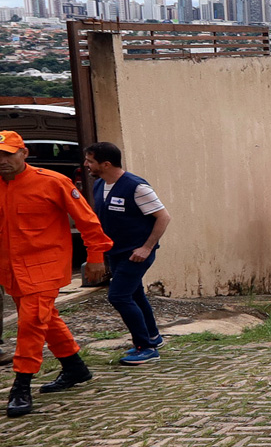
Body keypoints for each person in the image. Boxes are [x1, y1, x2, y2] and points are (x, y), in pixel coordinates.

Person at [0, 130, 113, 418]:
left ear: (23, 153)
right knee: (45, 318)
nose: (2, 161)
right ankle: (75, 368)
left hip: (45, 267)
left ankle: (21, 385)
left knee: (30, 323)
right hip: (11, 270)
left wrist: (96, 257)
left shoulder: (53, 182)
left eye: (8, 154)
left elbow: (87, 221)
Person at [86, 142, 172, 365]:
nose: (86, 165)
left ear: (106, 164)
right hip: (115, 251)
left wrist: (147, 247)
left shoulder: (136, 186)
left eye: (90, 161)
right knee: (134, 294)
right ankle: (153, 336)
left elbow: (163, 217)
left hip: (136, 253)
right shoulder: (98, 185)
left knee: (118, 296)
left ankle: (145, 347)